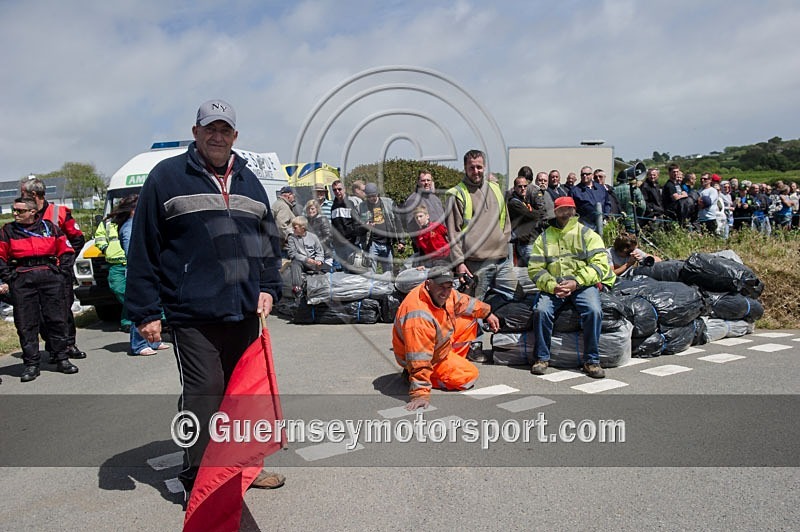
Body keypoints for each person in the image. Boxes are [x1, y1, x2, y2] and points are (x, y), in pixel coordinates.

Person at [125, 99, 285, 493]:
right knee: (205, 394)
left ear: (235, 136)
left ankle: (245, 467)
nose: (217, 136)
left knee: (242, 394)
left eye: (225, 130)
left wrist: (268, 287)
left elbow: (268, 243)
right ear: (195, 133)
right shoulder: (166, 177)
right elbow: (144, 247)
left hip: (245, 310)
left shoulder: (250, 182)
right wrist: (145, 311)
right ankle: (199, 478)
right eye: (209, 129)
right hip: (192, 313)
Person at [528, 196, 615, 379]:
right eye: (562, 209)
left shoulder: (587, 234)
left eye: (570, 209)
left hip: (582, 285)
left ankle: (592, 360)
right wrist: (551, 285)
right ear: (556, 212)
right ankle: (542, 358)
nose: (566, 213)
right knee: (541, 311)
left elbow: (600, 265)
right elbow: (535, 268)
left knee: (594, 311)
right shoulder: (544, 238)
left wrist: (576, 282)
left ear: (575, 211)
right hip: (555, 285)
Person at [393, 264, 500, 410]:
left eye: (449, 286)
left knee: (470, 320)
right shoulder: (418, 316)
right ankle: (419, 376)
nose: (445, 292)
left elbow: (464, 302)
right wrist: (420, 394)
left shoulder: (446, 293)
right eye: (441, 286)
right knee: (468, 377)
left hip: (435, 345)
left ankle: (449, 362)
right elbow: (419, 358)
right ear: (429, 284)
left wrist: (487, 313)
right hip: (420, 357)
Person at [0, 197, 79, 382]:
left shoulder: (50, 228)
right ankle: (31, 364)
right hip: (22, 279)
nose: (15, 214)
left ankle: (62, 358)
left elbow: (66, 251)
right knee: (26, 323)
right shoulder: (8, 231)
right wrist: (10, 278)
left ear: (32, 212)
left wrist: (61, 273)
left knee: (57, 319)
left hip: (50, 278)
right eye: (14, 210)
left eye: (19, 211)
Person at [20, 176, 87, 361]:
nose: (20, 197)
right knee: (41, 314)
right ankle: (53, 347)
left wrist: (64, 265)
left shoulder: (59, 212)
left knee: (63, 310)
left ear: (33, 194)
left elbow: (77, 239)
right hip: (34, 274)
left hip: (57, 273)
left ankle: (68, 344)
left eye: (22, 193)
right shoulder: (24, 215)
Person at [95, 195, 170, 356]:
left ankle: (154, 341)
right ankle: (139, 344)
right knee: (139, 307)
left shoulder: (137, 224)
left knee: (150, 304)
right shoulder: (129, 227)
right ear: (133, 210)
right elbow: (133, 252)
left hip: (139, 270)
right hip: (133, 271)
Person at [444, 149, 513, 300]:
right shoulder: (457, 194)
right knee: (473, 309)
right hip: (475, 264)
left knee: (510, 300)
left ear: (485, 167)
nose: (476, 171)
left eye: (479, 167)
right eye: (471, 167)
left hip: (502, 261)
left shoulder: (495, 188)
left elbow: (505, 220)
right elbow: (453, 233)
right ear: (465, 168)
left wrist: (503, 239)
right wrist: (459, 263)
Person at [358, 183, 405, 273]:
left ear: (377, 194)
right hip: (372, 243)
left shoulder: (388, 203)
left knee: (389, 272)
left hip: (387, 242)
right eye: (369, 196)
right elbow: (358, 228)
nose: (371, 198)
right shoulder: (362, 207)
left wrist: (401, 241)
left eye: (373, 196)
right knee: (370, 272)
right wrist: (366, 226)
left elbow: (397, 223)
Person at [287, 216, 328, 297]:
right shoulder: (291, 238)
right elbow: (292, 253)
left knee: (329, 269)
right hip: (301, 262)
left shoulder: (313, 237)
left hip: (313, 262)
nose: (293, 230)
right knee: (295, 264)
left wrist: (319, 260)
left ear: (303, 228)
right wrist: (306, 259)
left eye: (295, 228)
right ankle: (297, 287)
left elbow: (319, 251)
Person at [507, 176, 542, 266]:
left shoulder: (524, 201)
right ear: (514, 188)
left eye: (525, 186)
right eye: (520, 186)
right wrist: (538, 213)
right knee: (532, 271)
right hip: (524, 244)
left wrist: (534, 213)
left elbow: (532, 214)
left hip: (531, 241)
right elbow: (530, 215)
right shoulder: (514, 203)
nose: (523, 189)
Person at [403, 169, 444, 239]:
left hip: (441, 242)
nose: (426, 183)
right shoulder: (412, 200)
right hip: (426, 244)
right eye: (423, 180)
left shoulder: (436, 199)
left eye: (428, 180)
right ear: (418, 182)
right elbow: (411, 227)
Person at [329, 179, 361, 268]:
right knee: (342, 272)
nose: (337, 192)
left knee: (355, 270)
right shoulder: (333, 206)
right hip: (338, 245)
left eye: (339, 189)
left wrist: (354, 239)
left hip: (351, 243)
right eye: (334, 190)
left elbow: (356, 223)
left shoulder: (351, 203)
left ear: (344, 189)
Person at [570, 165, 611, 233]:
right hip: (585, 225)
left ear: (592, 175)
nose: (585, 176)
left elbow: (607, 203)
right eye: (582, 174)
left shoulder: (601, 188)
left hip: (602, 223)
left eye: (587, 174)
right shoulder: (575, 191)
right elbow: (571, 210)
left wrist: (606, 217)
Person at [272, 185, 301, 251]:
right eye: (294, 196)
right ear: (289, 195)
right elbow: (281, 225)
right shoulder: (284, 206)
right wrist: (289, 238)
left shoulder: (278, 203)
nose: (294, 198)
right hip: (283, 245)